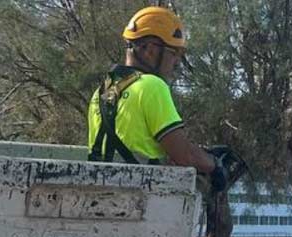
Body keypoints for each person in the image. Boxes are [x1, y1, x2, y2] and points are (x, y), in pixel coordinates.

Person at [87, 6, 227, 191]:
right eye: (174, 53)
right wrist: (214, 164)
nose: (177, 62)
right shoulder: (152, 86)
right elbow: (183, 155)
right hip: (138, 197)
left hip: (99, 189)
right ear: (150, 50)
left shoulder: (102, 92)